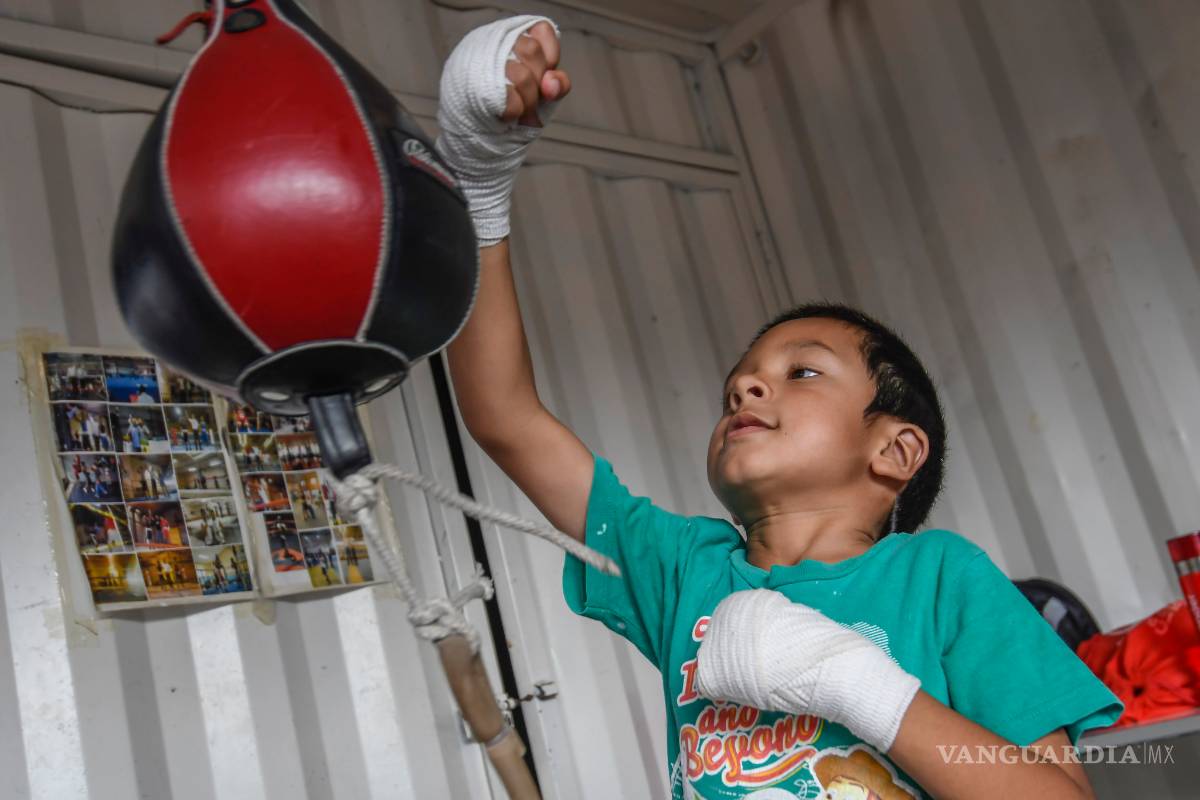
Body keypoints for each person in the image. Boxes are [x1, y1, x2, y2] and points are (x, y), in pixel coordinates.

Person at [438, 17, 1121, 800]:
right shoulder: (685, 573)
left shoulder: (941, 578)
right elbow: (503, 416)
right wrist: (478, 187)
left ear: (896, 451)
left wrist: (853, 685)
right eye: (740, 377)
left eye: (801, 372)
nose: (744, 387)